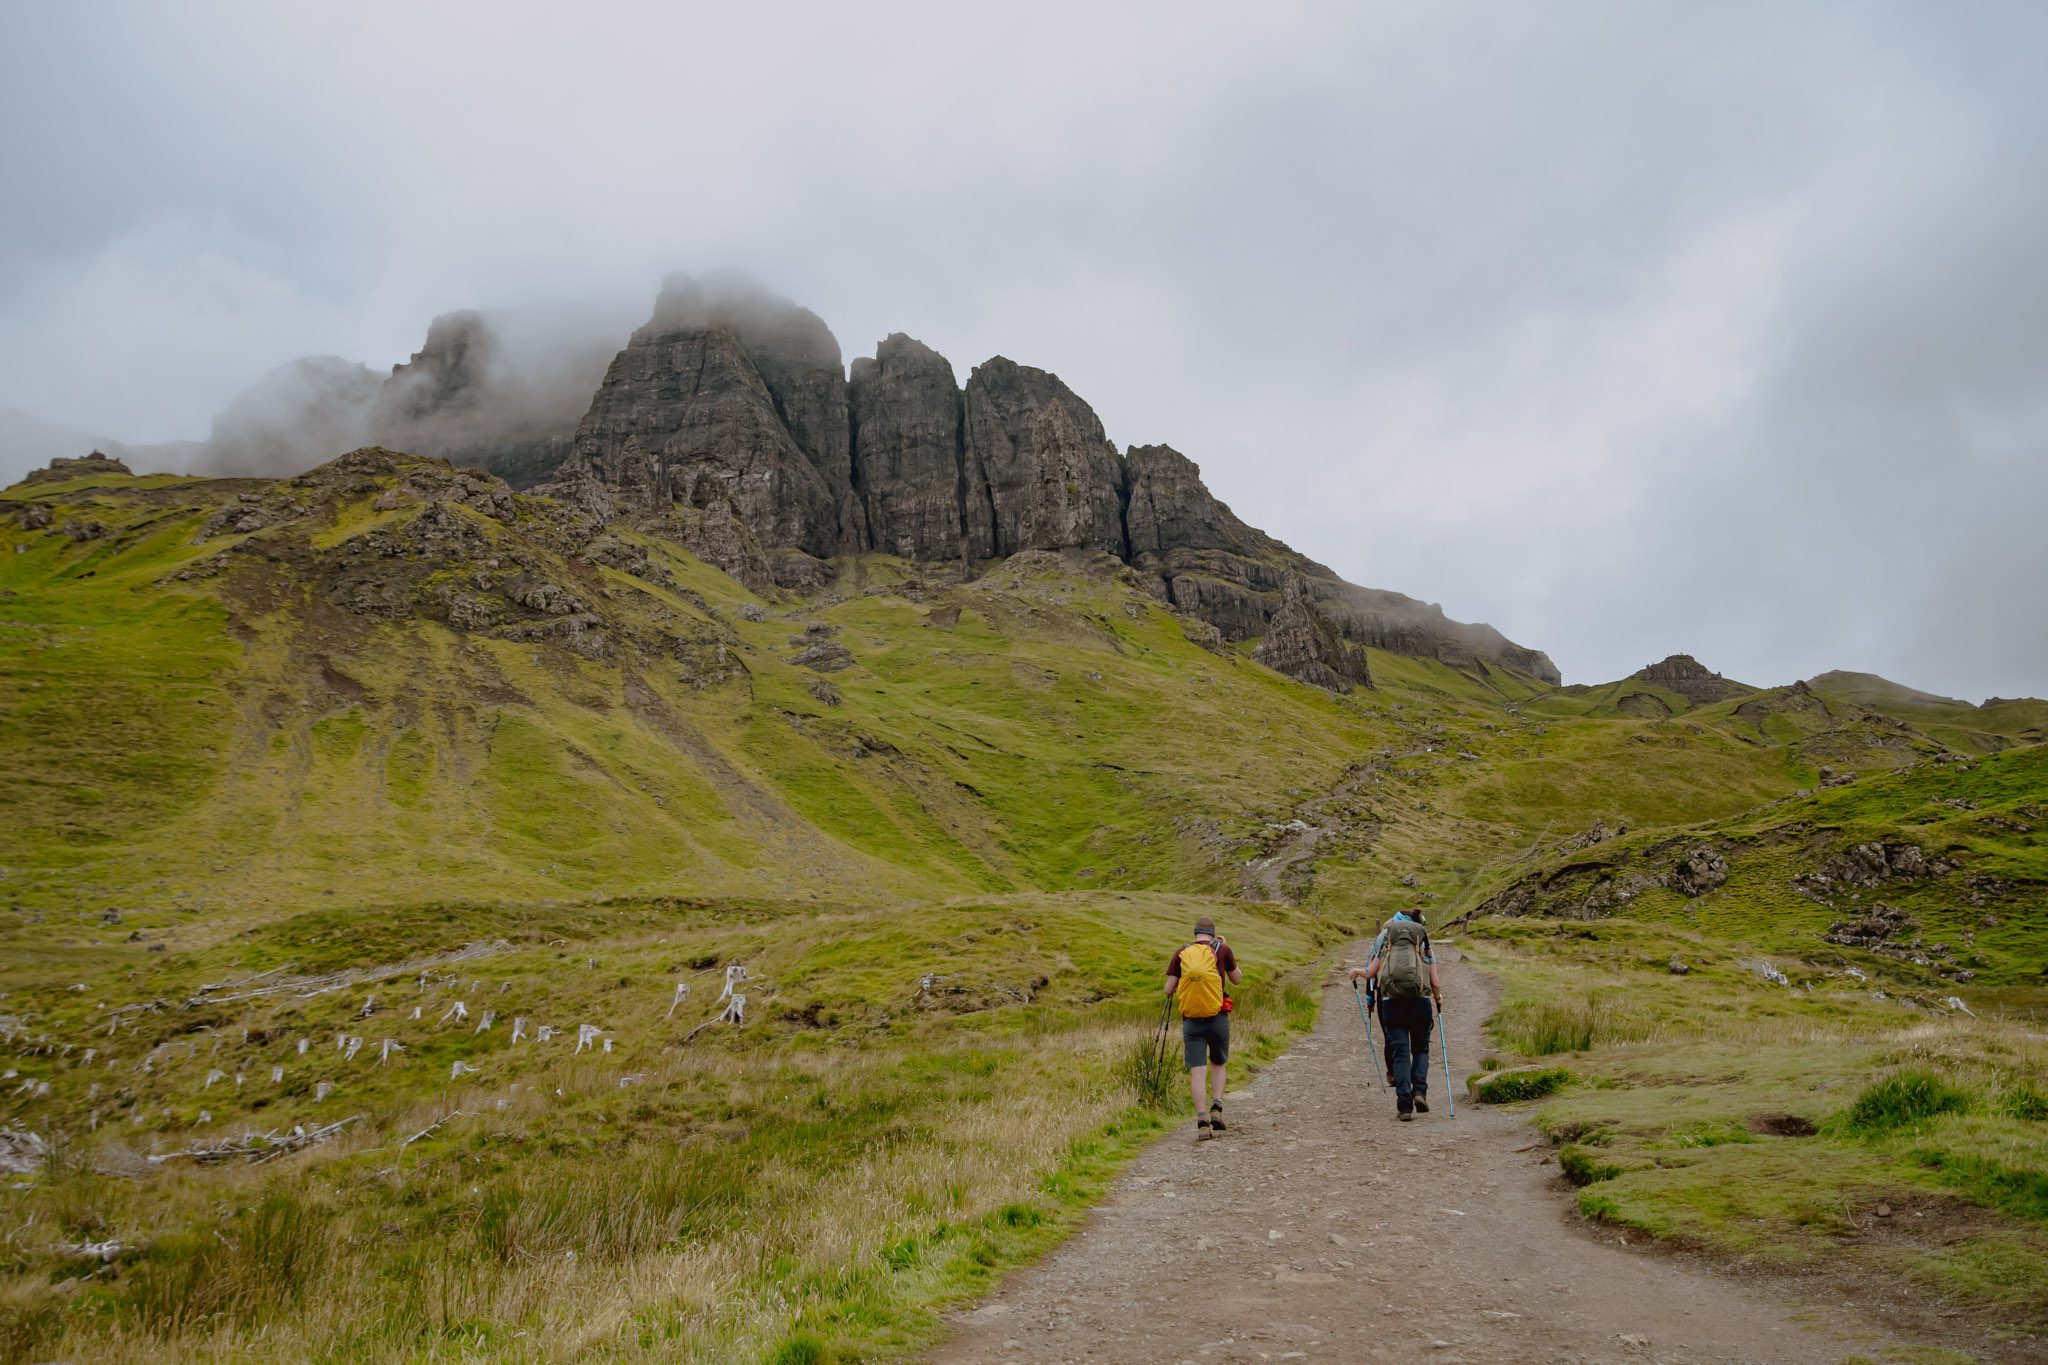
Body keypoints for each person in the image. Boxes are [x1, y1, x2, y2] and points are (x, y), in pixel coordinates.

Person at [1347, 910, 1442, 1120]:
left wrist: (1355, 971)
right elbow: (1434, 981)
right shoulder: (1424, 944)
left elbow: (1370, 973)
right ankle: (1419, 1092)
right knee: (1421, 1050)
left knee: (1400, 1054)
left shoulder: (1386, 943)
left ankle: (1404, 1106)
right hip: (1420, 1003)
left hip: (1392, 1005)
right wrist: (1438, 998)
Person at [1166, 916, 1241, 1140]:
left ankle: (1201, 1121)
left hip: (1191, 1021)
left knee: (1197, 1072)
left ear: (1195, 933)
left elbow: (1168, 989)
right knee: (1218, 1062)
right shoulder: (1223, 949)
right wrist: (1227, 950)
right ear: (1212, 933)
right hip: (1218, 1017)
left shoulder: (1182, 952)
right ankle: (1216, 1107)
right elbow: (1237, 979)